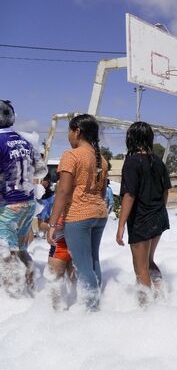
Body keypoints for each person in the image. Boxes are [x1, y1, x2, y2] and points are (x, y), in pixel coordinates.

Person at [47, 114, 108, 311]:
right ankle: (96, 305)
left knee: (83, 267)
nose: (68, 136)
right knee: (93, 261)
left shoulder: (71, 155)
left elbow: (63, 191)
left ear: (77, 132)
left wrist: (53, 223)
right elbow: (103, 191)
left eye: (69, 131)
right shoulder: (102, 160)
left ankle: (92, 311)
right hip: (99, 214)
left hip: (78, 216)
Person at [116, 122, 171, 306]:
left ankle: (145, 309)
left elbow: (129, 195)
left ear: (131, 138)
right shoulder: (158, 162)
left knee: (140, 269)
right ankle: (162, 298)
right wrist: (158, 210)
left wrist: (121, 224)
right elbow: (166, 191)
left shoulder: (131, 162)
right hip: (159, 217)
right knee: (149, 261)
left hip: (141, 220)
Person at [0, 99, 47, 297]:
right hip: (27, 203)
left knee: (5, 254)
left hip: (7, 206)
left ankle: (14, 296)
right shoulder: (24, 141)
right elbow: (42, 170)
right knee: (21, 249)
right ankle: (31, 288)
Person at [38, 184, 75, 310]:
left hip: (76, 247)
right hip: (59, 245)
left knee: (75, 282)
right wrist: (53, 227)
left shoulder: (80, 202)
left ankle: (75, 316)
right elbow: (41, 225)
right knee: (54, 282)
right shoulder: (51, 201)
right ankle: (55, 317)